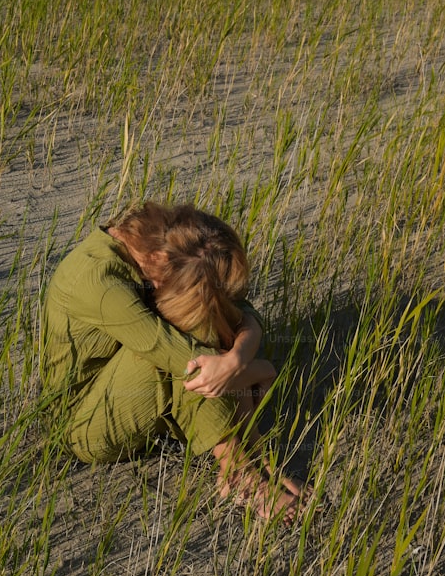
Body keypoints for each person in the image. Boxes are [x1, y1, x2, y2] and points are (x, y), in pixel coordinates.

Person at [41, 201, 304, 522]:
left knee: (198, 314)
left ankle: (257, 457)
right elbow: (184, 359)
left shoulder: (155, 242)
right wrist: (258, 369)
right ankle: (238, 473)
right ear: (160, 260)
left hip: (127, 393)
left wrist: (238, 358)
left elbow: (243, 311)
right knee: (186, 338)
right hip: (83, 427)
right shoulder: (98, 282)